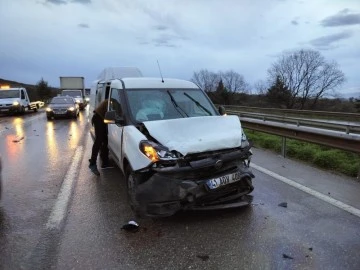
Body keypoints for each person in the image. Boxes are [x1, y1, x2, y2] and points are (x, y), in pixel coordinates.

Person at [89, 99, 112, 175]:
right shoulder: (113, 100)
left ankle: (105, 162)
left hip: (101, 118)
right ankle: (92, 163)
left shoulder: (112, 100)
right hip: (98, 118)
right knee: (99, 141)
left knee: (105, 140)